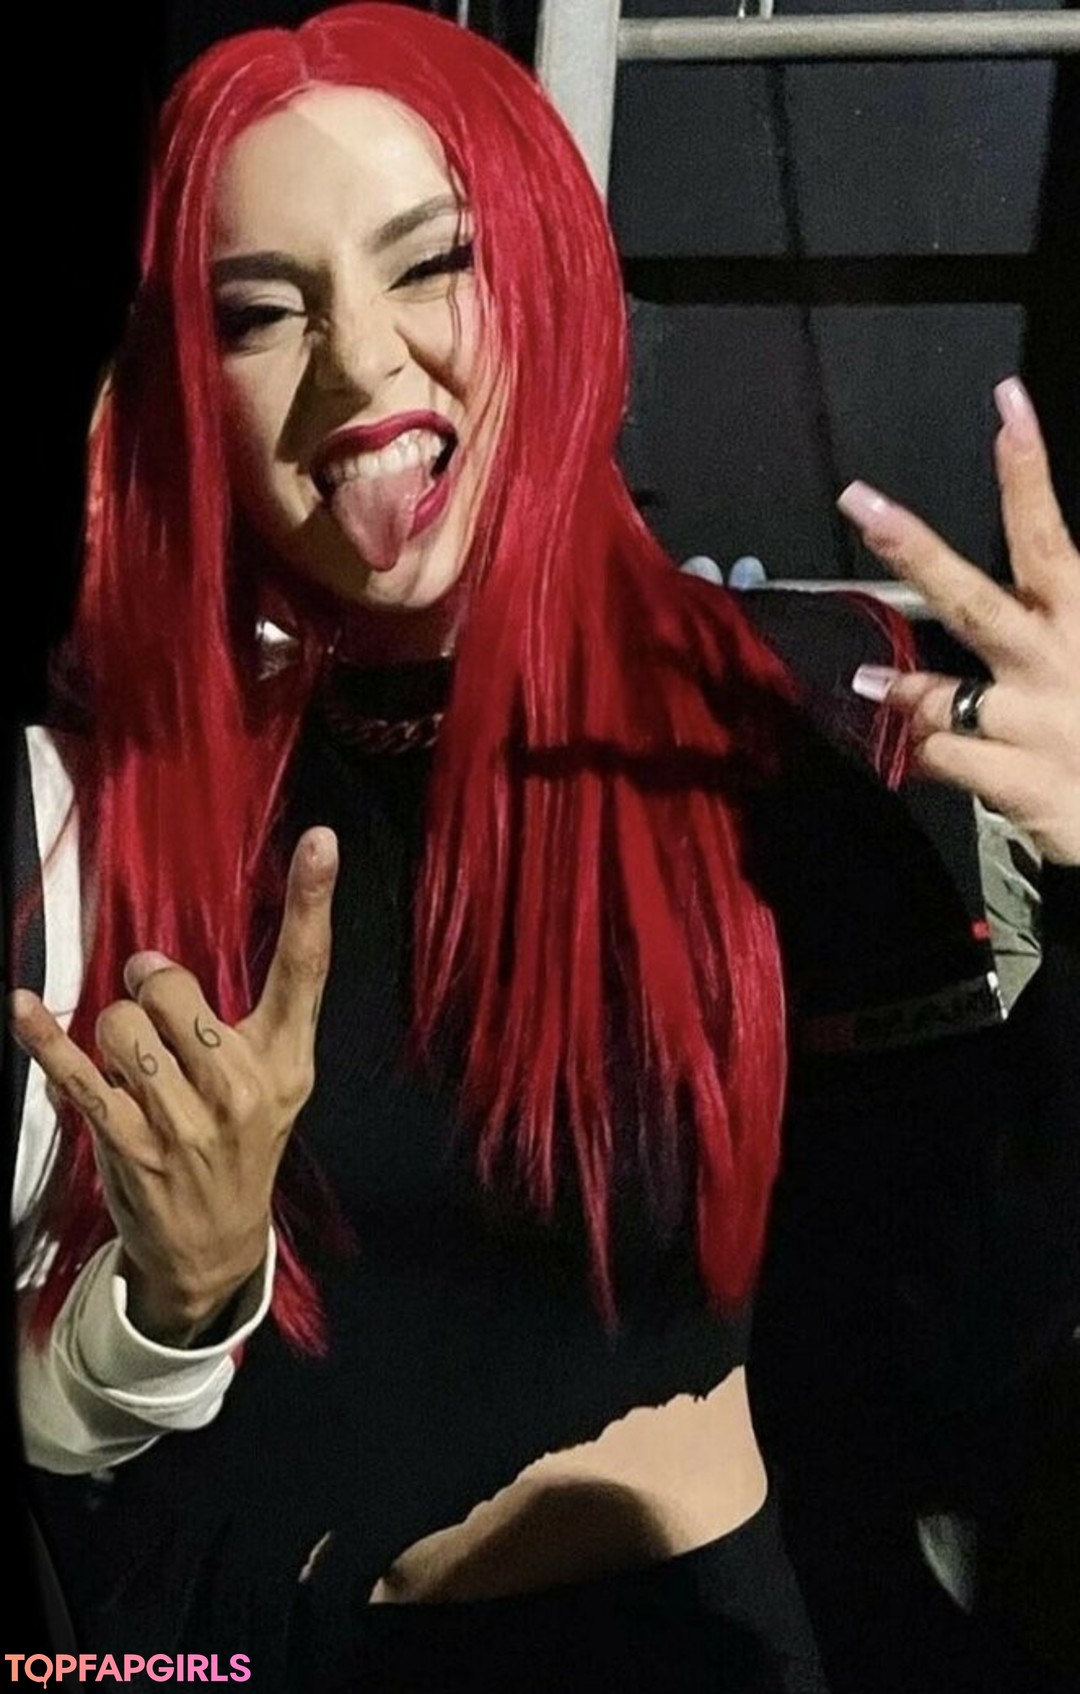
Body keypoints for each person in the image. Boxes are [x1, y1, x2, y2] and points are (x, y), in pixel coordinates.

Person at [8, 6, 1078, 1691]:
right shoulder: (110, 800)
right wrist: (174, 1298)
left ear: (549, 277)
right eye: (262, 311)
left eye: (432, 264)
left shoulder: (792, 723)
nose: (362, 368)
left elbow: (964, 1339)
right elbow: (61, 1440)